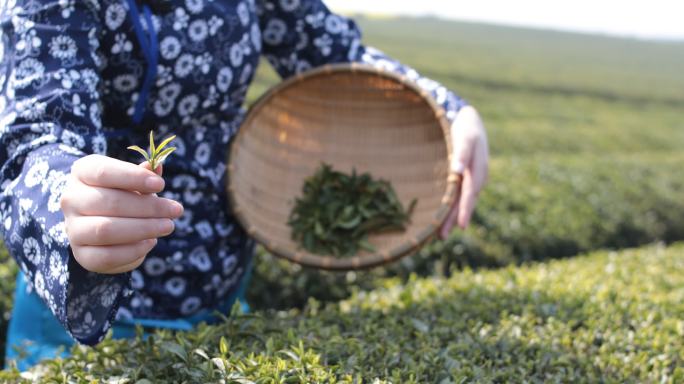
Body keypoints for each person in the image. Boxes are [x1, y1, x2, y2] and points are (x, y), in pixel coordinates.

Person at [0, 0, 489, 370]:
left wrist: (450, 109)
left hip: (224, 279)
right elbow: (36, 136)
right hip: (93, 284)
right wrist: (69, 200)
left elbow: (336, 53)